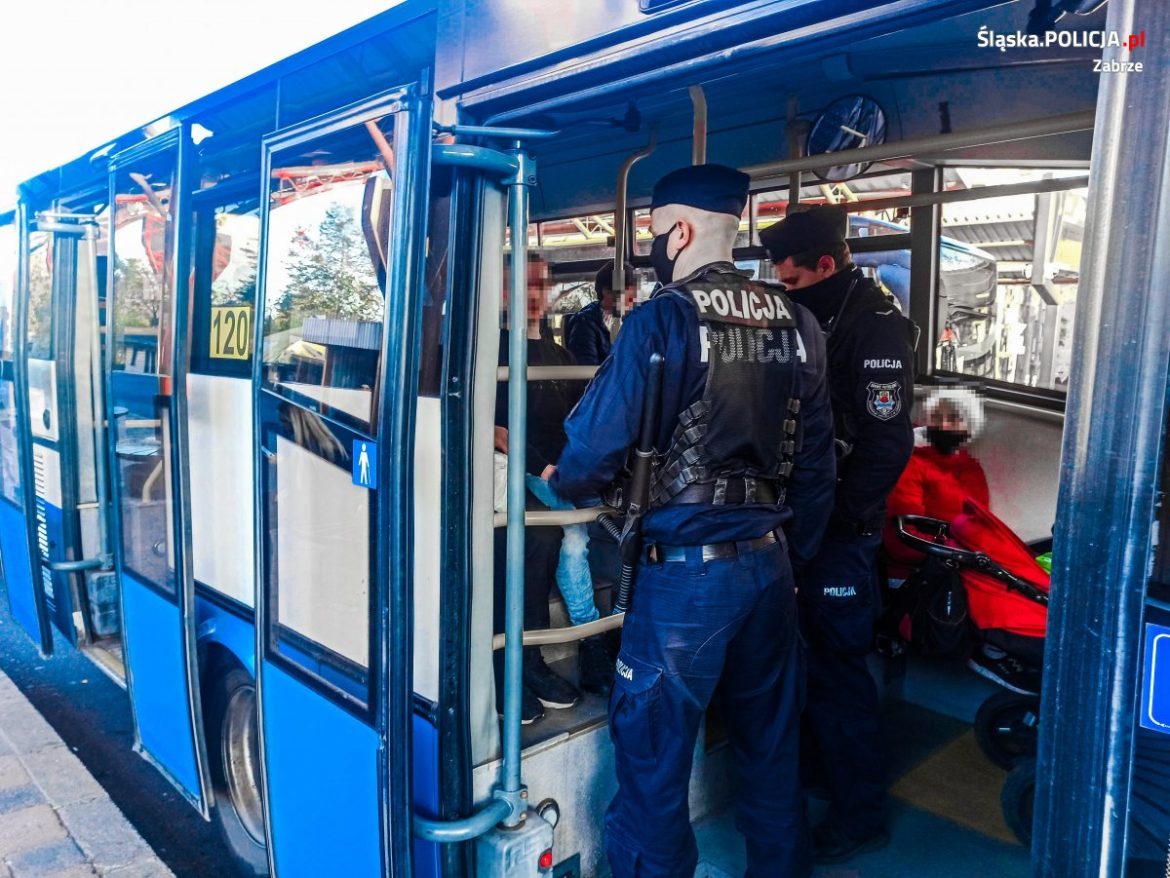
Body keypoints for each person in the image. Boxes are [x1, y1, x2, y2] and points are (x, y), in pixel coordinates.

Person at [550, 164, 836, 878]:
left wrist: (566, 480)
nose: (653, 246)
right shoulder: (799, 323)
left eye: (653, 233)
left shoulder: (663, 320)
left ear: (679, 232)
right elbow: (818, 467)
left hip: (684, 581)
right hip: (770, 565)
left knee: (653, 762)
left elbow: (591, 452)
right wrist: (788, 558)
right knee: (772, 747)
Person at [760, 205, 915, 864]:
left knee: (841, 671)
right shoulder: (816, 315)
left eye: (792, 282)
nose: (786, 293)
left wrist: (838, 520)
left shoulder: (875, 326)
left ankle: (860, 815)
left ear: (827, 264)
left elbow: (885, 444)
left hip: (841, 533)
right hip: (801, 521)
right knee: (810, 663)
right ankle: (825, 774)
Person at [494, 254, 612, 726]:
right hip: (524, 468)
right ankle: (589, 643)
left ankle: (597, 641)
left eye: (541, 284)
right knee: (572, 538)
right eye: (521, 284)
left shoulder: (560, 353)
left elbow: (577, 418)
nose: (533, 294)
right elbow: (497, 431)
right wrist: (546, 468)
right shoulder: (490, 350)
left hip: (560, 468)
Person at [565, 262, 616, 365]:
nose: (633, 301)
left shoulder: (628, 320)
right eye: (629, 295)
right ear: (607, 292)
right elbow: (586, 370)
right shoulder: (584, 325)